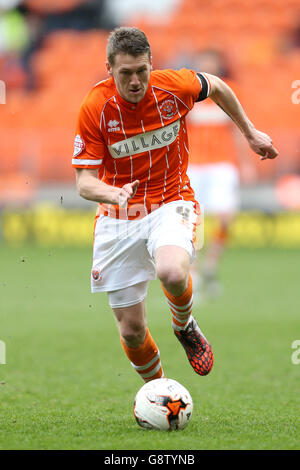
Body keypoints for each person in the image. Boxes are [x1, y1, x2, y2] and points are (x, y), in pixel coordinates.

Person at [72, 27, 278, 383]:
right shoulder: (95, 108)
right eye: (125, 73)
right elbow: (84, 182)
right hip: (118, 215)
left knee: (171, 271)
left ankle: (184, 325)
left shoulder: (174, 86)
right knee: (132, 331)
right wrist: (112, 194)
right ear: (109, 69)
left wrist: (249, 132)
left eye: (141, 70)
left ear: (151, 63)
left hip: (172, 199)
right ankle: (160, 392)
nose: (135, 81)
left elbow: (217, 86)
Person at [186, 49, 257, 298]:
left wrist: (246, 162)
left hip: (222, 164)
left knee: (226, 216)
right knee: (193, 220)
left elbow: (239, 128)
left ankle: (211, 265)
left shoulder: (230, 90)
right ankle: (192, 271)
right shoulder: (190, 92)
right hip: (194, 164)